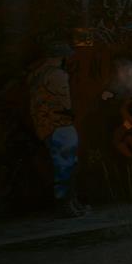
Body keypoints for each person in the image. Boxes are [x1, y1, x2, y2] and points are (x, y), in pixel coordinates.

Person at [28, 41, 87, 218]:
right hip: (61, 124)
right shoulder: (57, 75)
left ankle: (68, 202)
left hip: (44, 125)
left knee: (61, 165)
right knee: (67, 166)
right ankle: (66, 204)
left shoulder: (35, 74)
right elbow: (65, 102)